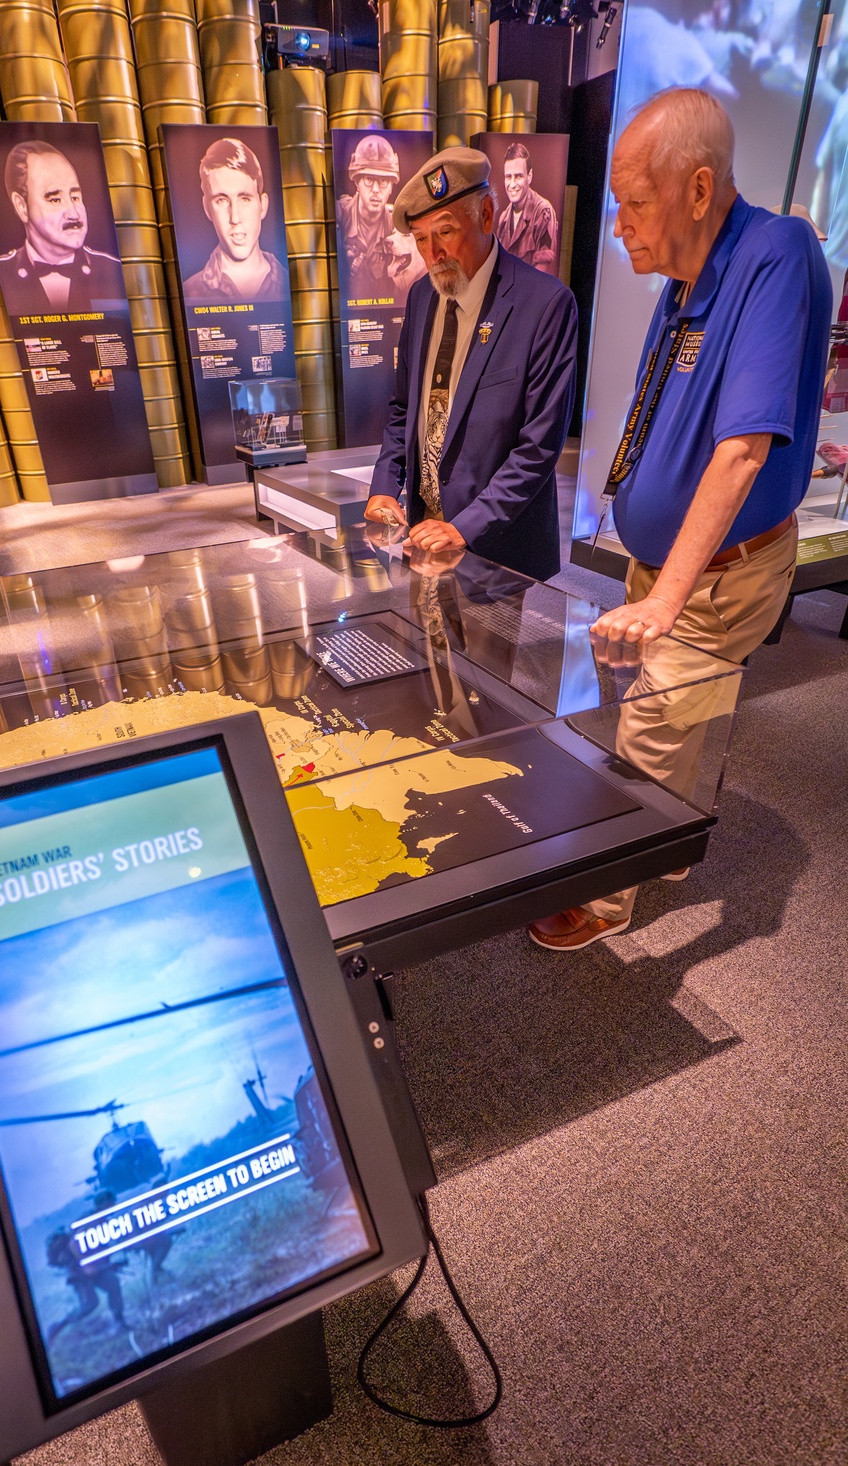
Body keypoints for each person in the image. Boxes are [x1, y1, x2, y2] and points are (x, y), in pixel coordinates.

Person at [529, 88, 831, 952]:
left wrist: (669, 598)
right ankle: (666, 845)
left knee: (650, 726)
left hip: (716, 573)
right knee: (676, 715)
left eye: (635, 200)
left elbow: (741, 450)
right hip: (666, 565)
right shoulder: (687, 277)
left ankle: (605, 897)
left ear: (700, 190)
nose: (619, 222)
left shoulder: (776, 254)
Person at [364, 145, 577, 581]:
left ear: (485, 216)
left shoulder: (545, 305)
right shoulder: (421, 296)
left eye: (445, 232)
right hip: (421, 537)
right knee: (419, 647)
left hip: (497, 550)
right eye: (421, 238)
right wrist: (386, 486)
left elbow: (538, 447)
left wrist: (464, 527)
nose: (432, 253)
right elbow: (404, 409)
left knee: (483, 652)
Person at [0, 140, 123, 317]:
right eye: (55, 199)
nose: (73, 213)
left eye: (75, 197)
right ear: (22, 207)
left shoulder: (113, 271)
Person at [182, 137, 289, 304]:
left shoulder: (291, 285)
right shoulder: (190, 292)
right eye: (222, 200)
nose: (235, 218)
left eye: (245, 199)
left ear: (263, 205)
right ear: (207, 208)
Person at [335, 134, 424, 305]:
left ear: (391, 187)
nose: (376, 190)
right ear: (356, 183)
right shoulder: (340, 216)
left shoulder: (398, 225)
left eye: (383, 181)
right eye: (369, 180)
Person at [494, 143, 559, 273]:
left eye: (518, 176)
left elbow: (542, 274)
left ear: (529, 176)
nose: (512, 184)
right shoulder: (504, 219)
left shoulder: (543, 212)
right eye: (508, 177)